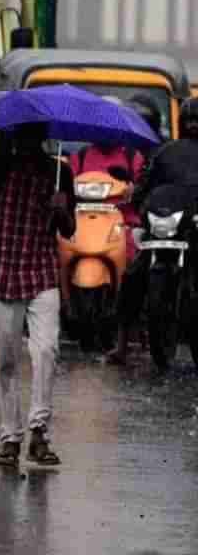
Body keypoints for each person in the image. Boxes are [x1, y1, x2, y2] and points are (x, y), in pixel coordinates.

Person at [0, 122, 75, 468]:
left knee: (46, 350)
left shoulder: (60, 172)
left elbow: (69, 230)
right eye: (20, 137)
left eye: (31, 138)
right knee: (7, 360)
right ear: (13, 139)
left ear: (41, 139)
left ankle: (39, 432)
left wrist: (62, 209)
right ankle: (10, 438)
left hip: (42, 271)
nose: (25, 144)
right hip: (2, 272)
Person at [112, 96, 198, 364]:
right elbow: (144, 185)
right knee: (133, 274)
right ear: (181, 123)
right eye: (189, 121)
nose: (193, 126)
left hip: (194, 228)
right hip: (165, 228)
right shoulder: (164, 152)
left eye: (197, 121)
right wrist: (140, 206)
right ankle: (122, 344)